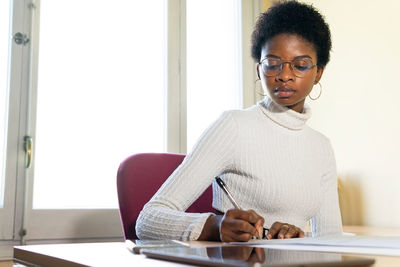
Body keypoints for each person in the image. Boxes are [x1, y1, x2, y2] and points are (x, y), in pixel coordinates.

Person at [136, 0, 343, 242]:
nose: (285, 75)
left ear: (318, 72)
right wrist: (216, 226)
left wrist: (299, 237)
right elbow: (148, 220)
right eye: (273, 64)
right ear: (258, 70)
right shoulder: (234, 126)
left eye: (300, 65)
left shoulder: (321, 147)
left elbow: (331, 240)